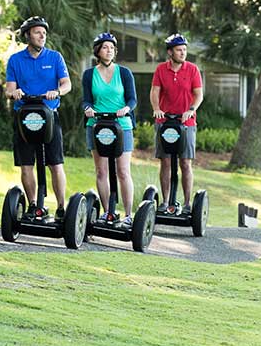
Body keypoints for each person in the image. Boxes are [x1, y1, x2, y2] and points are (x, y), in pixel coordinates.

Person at [4, 16, 72, 219]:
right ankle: (33, 205)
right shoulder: (15, 60)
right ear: (27, 35)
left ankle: (61, 208)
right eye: (37, 32)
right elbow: (9, 89)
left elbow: (66, 84)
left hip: (49, 116)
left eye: (44, 32)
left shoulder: (55, 58)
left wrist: (57, 92)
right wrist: (14, 93)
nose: (42, 36)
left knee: (55, 164)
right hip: (24, 119)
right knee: (26, 164)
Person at [81, 32, 137, 227]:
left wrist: (126, 109)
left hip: (122, 125)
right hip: (97, 125)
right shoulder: (89, 74)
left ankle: (129, 215)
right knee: (101, 171)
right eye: (105, 47)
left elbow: (132, 99)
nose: (109, 50)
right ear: (98, 50)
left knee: (123, 171)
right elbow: (86, 100)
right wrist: (87, 109)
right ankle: (107, 212)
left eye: (112, 48)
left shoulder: (124, 73)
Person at [150, 33, 203, 214]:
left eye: (184, 50)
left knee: (185, 162)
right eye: (179, 50)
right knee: (165, 161)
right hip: (164, 122)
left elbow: (198, 94)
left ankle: (188, 204)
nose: (183, 53)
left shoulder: (192, 70)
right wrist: (156, 108)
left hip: (186, 122)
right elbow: (155, 92)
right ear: (170, 52)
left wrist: (191, 109)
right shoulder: (160, 70)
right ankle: (165, 202)